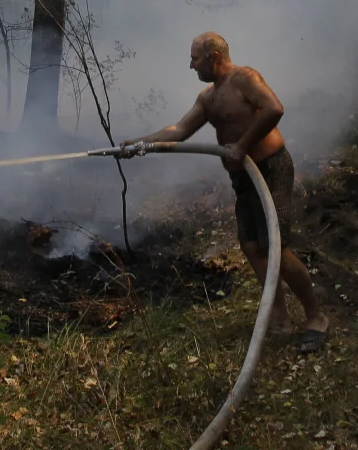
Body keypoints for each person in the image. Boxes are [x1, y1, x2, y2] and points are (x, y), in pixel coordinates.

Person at [124, 32, 330, 352]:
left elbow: (274, 108)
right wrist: (141, 144)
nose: (191, 65)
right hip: (244, 180)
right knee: (251, 246)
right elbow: (179, 131)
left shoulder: (245, 78)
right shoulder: (208, 98)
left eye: (195, 58)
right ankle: (278, 316)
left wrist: (243, 145)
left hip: (270, 169)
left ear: (214, 57)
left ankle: (316, 317)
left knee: (276, 246)